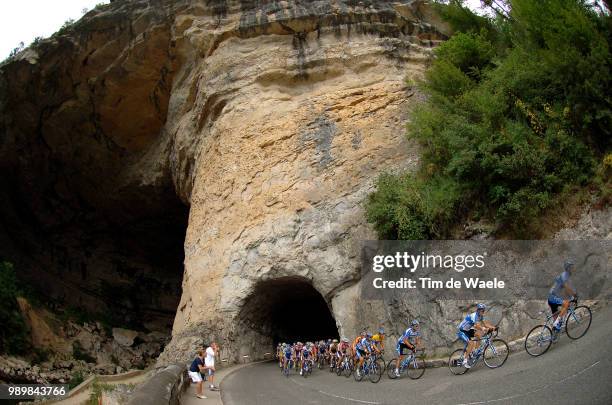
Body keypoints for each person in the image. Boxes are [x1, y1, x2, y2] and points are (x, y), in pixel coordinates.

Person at [457, 303, 496, 368]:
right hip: (461, 331)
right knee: (471, 343)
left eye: (484, 310)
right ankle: (465, 360)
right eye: (482, 311)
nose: (483, 312)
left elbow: (485, 324)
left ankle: (475, 351)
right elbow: (476, 325)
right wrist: (483, 328)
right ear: (478, 310)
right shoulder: (474, 316)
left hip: (467, 330)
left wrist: (493, 327)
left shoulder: (481, 316)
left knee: (479, 334)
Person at [548, 259, 577, 334]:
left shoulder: (565, 275)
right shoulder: (565, 275)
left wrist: (570, 297)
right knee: (566, 304)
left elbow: (564, 289)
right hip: (553, 297)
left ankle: (553, 336)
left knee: (557, 318)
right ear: (568, 268)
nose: (573, 268)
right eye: (572, 267)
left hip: (552, 297)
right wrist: (574, 295)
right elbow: (566, 287)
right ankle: (556, 323)